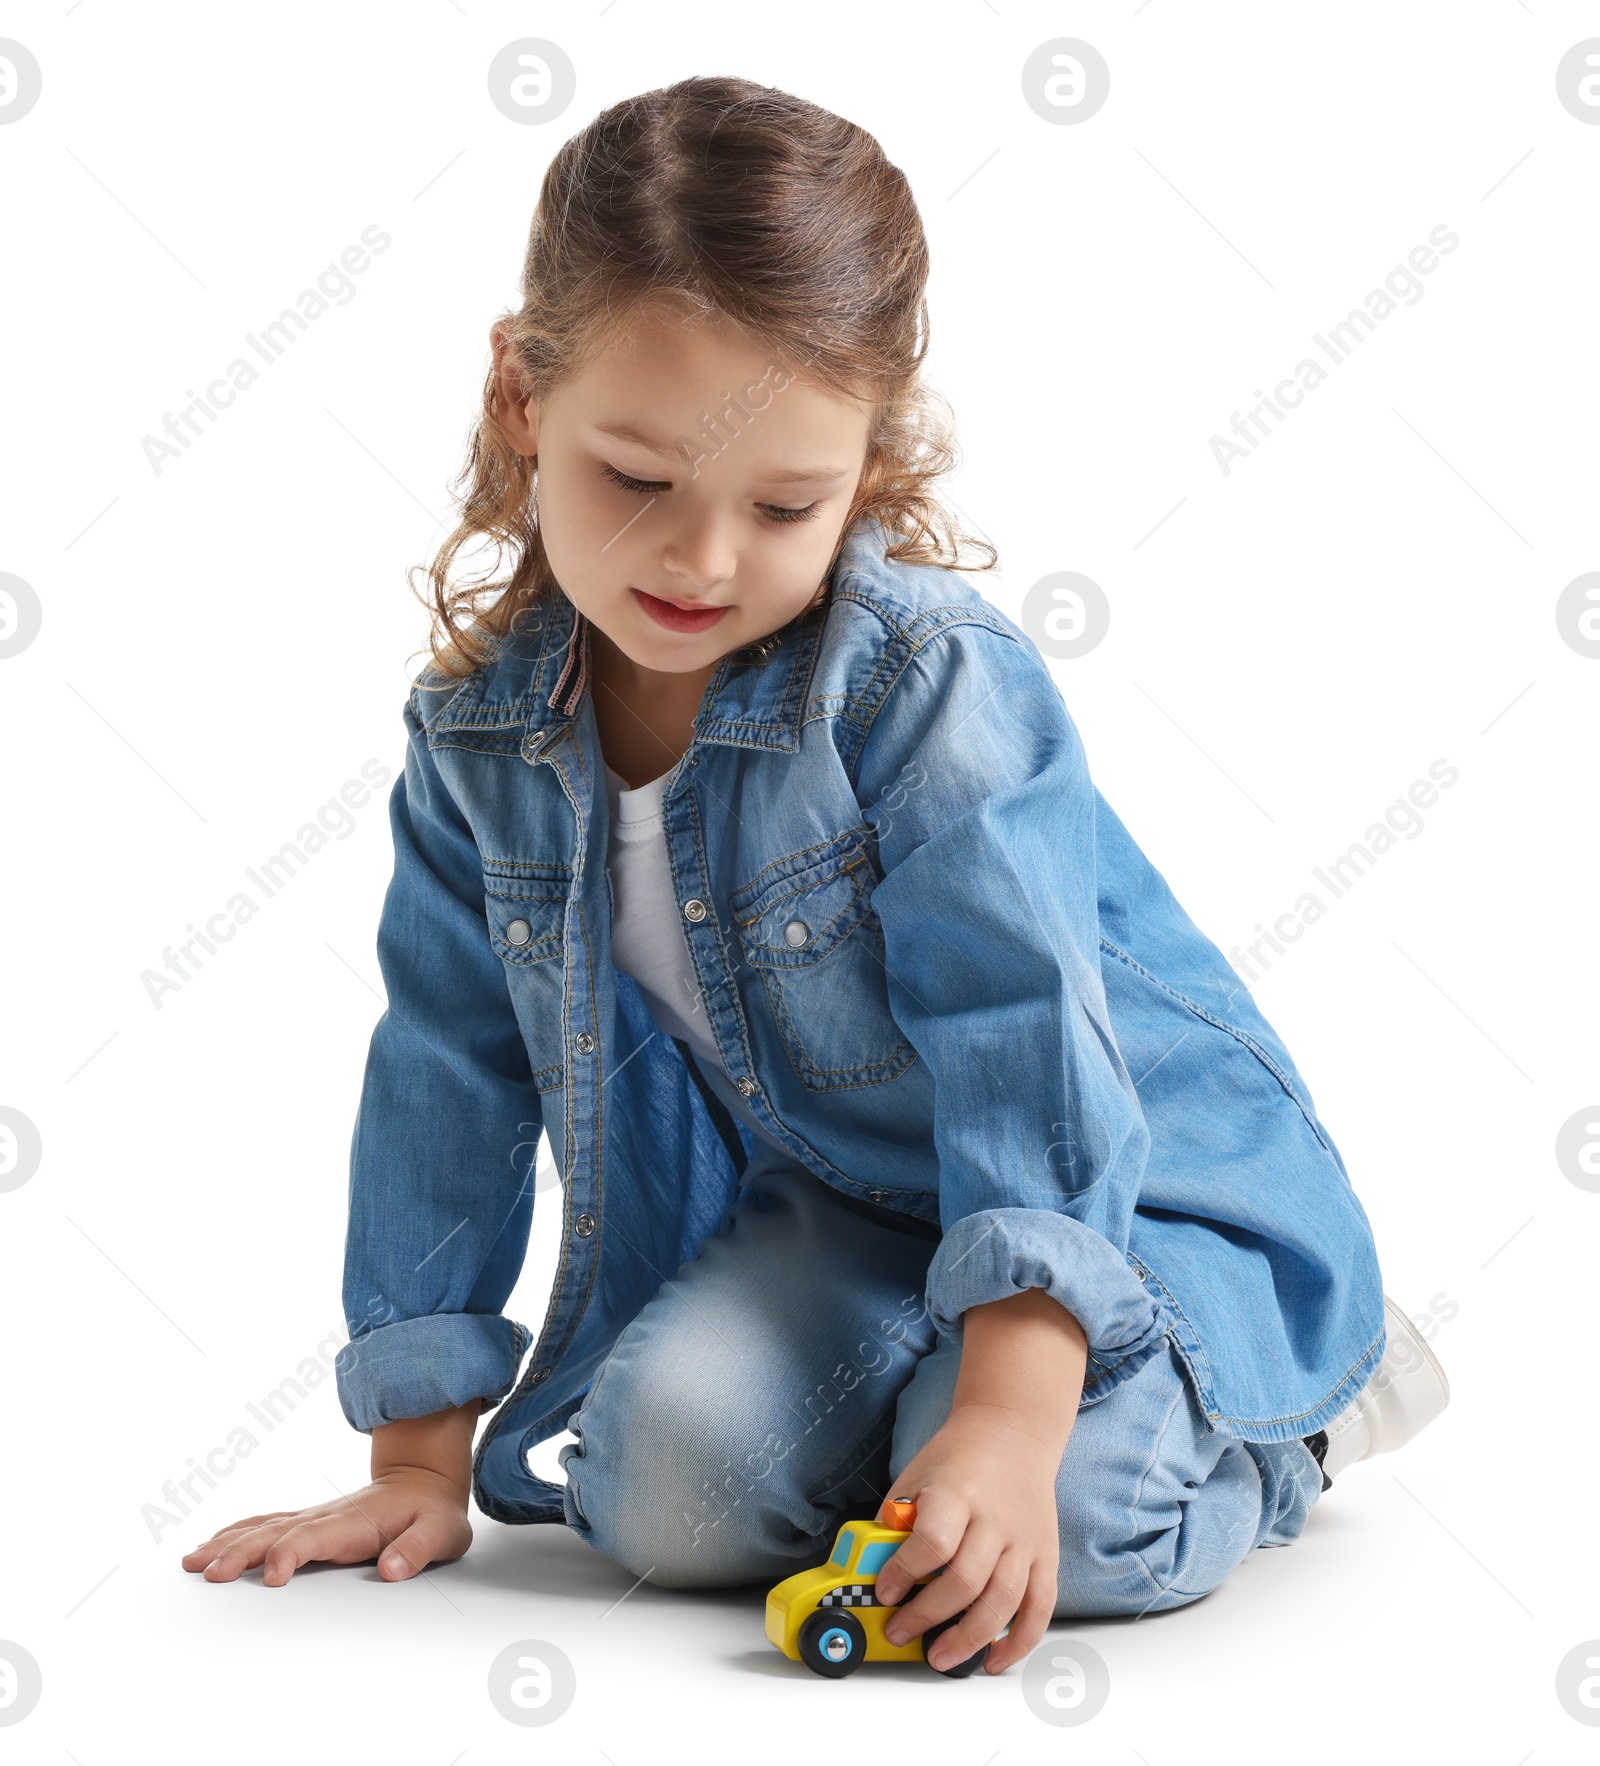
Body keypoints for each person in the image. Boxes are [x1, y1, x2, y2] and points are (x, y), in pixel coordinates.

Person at [181, 75, 1448, 1674]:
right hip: (858, 1210)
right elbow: (447, 1068)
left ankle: (1281, 1408)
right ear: (519, 396)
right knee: (657, 1499)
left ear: (869, 457)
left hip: (1127, 1193)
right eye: (635, 478)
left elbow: (1021, 1030)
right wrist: (420, 1465)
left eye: (784, 504)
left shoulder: (924, 681)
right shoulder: (478, 735)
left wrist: (1002, 1411)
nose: (701, 562)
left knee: (1092, 1525)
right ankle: (952, 1416)